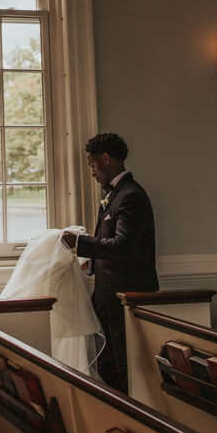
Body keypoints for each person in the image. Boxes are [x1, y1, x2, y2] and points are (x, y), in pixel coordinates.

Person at [61, 132, 158, 394]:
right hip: (107, 297)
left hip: (126, 298)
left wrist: (80, 243)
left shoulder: (131, 196)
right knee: (107, 367)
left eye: (92, 164)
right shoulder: (115, 195)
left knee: (126, 370)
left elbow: (123, 246)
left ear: (106, 158)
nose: (92, 172)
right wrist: (89, 263)